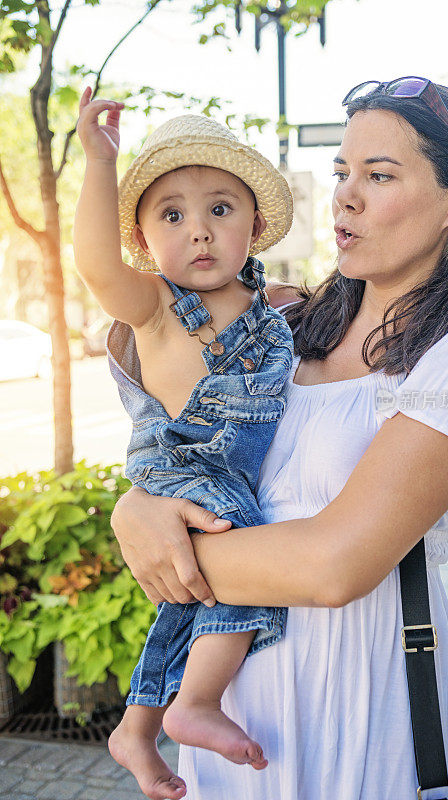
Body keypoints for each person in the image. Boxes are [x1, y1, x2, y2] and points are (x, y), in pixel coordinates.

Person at [110, 78, 448, 800]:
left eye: (379, 175)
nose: (345, 197)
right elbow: (197, 457)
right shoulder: (282, 332)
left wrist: (161, 550)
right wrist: (137, 509)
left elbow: (335, 565)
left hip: (362, 704)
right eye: (342, 173)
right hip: (232, 711)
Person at [74, 87, 296, 800]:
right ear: (143, 241)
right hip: (182, 467)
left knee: (187, 601)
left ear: (254, 226)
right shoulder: (156, 306)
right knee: (244, 553)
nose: (198, 232)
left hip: (223, 478)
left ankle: (135, 732)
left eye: (219, 211)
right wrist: (98, 165)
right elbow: (94, 265)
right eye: (172, 215)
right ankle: (195, 703)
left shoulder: (280, 307)